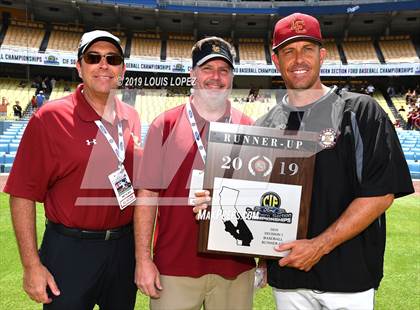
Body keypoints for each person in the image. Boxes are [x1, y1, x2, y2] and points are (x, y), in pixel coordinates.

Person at [195, 13, 414, 310]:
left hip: (348, 280)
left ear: (322, 55)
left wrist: (318, 247)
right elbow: (252, 202)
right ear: (276, 60)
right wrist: (215, 201)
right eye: (288, 51)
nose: (298, 59)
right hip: (288, 278)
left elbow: (380, 194)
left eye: (307, 49)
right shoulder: (264, 126)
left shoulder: (360, 111)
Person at [4, 30, 141, 310]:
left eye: (112, 59)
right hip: (69, 250)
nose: (104, 65)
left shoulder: (132, 116)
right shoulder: (50, 118)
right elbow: (21, 193)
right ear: (79, 67)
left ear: (122, 70)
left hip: (123, 248)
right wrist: (31, 266)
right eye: (93, 57)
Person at [134, 37, 256, 310]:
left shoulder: (249, 127)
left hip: (235, 267)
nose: (215, 77)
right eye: (207, 68)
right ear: (192, 74)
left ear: (232, 77)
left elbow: (258, 198)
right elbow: (147, 196)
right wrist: (143, 259)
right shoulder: (164, 125)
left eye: (224, 70)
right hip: (175, 267)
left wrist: (266, 258)